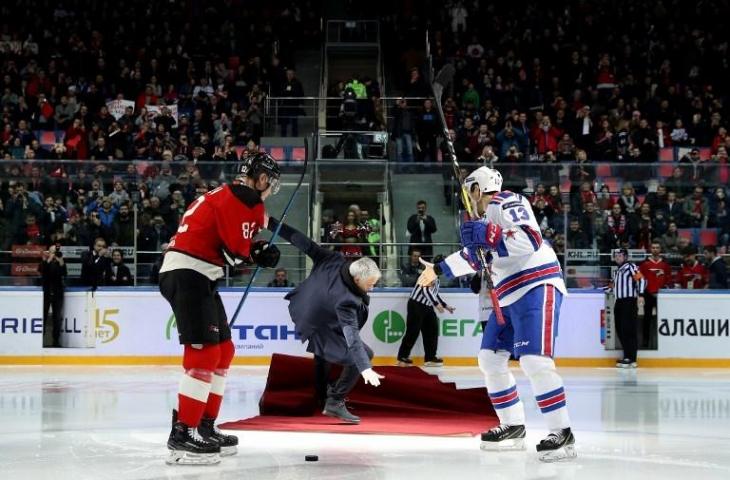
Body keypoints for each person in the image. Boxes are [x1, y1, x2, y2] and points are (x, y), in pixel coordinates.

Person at [418, 166, 575, 462]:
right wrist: (438, 270)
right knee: (489, 359)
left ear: (478, 188)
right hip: (508, 295)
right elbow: (474, 259)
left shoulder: (507, 202)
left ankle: (562, 431)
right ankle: (513, 425)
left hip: (536, 284)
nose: (467, 197)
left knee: (535, 361)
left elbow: (529, 241)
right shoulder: (483, 219)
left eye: (469, 190)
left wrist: (488, 233)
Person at [158, 152, 282, 465]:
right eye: (271, 182)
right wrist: (258, 254)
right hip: (189, 273)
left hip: (198, 273)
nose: (270, 189)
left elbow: (230, 247)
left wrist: (256, 251)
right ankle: (183, 432)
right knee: (204, 354)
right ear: (262, 178)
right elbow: (234, 256)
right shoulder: (245, 200)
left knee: (223, 350)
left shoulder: (229, 194)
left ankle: (204, 425)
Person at [269, 216, 384, 424]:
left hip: (312, 311)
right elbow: (352, 338)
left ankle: (322, 397)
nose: (372, 288)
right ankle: (335, 401)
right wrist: (365, 367)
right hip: (321, 321)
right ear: (357, 278)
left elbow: (302, 241)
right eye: (370, 284)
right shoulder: (347, 300)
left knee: (323, 356)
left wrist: (270, 223)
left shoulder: (333, 259)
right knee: (365, 353)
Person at [397, 261, 454, 367]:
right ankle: (402, 357)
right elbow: (425, 290)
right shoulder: (428, 273)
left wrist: (445, 306)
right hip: (416, 305)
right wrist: (437, 304)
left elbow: (433, 293)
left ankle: (430, 358)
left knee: (432, 330)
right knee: (413, 331)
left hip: (427, 306)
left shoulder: (436, 276)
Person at [608, 249, 646, 368]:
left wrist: (641, 294)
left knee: (628, 329)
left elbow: (641, 280)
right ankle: (627, 356)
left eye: (620, 255)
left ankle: (632, 358)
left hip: (629, 301)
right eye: (616, 256)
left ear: (625, 257)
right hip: (619, 302)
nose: (618, 257)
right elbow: (613, 286)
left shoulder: (631, 266)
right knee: (620, 329)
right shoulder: (617, 271)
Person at [638, 242, 672, 348]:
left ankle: (664, 341)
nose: (655, 249)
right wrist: (641, 293)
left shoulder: (665, 264)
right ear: (650, 249)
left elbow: (669, 279)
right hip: (648, 294)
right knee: (646, 319)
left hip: (662, 295)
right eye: (653, 247)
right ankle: (645, 342)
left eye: (657, 247)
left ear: (660, 249)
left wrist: (664, 289)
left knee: (663, 319)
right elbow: (638, 278)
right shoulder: (644, 264)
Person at [40, 243, 67, 347]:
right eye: (52, 252)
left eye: (55, 252)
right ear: (48, 252)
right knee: (43, 316)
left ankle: (56, 339)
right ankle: (40, 338)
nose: (54, 254)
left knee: (57, 317)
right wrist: (48, 260)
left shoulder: (60, 262)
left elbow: (64, 274)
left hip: (57, 293)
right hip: (46, 293)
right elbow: (44, 273)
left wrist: (61, 261)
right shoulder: (44, 262)